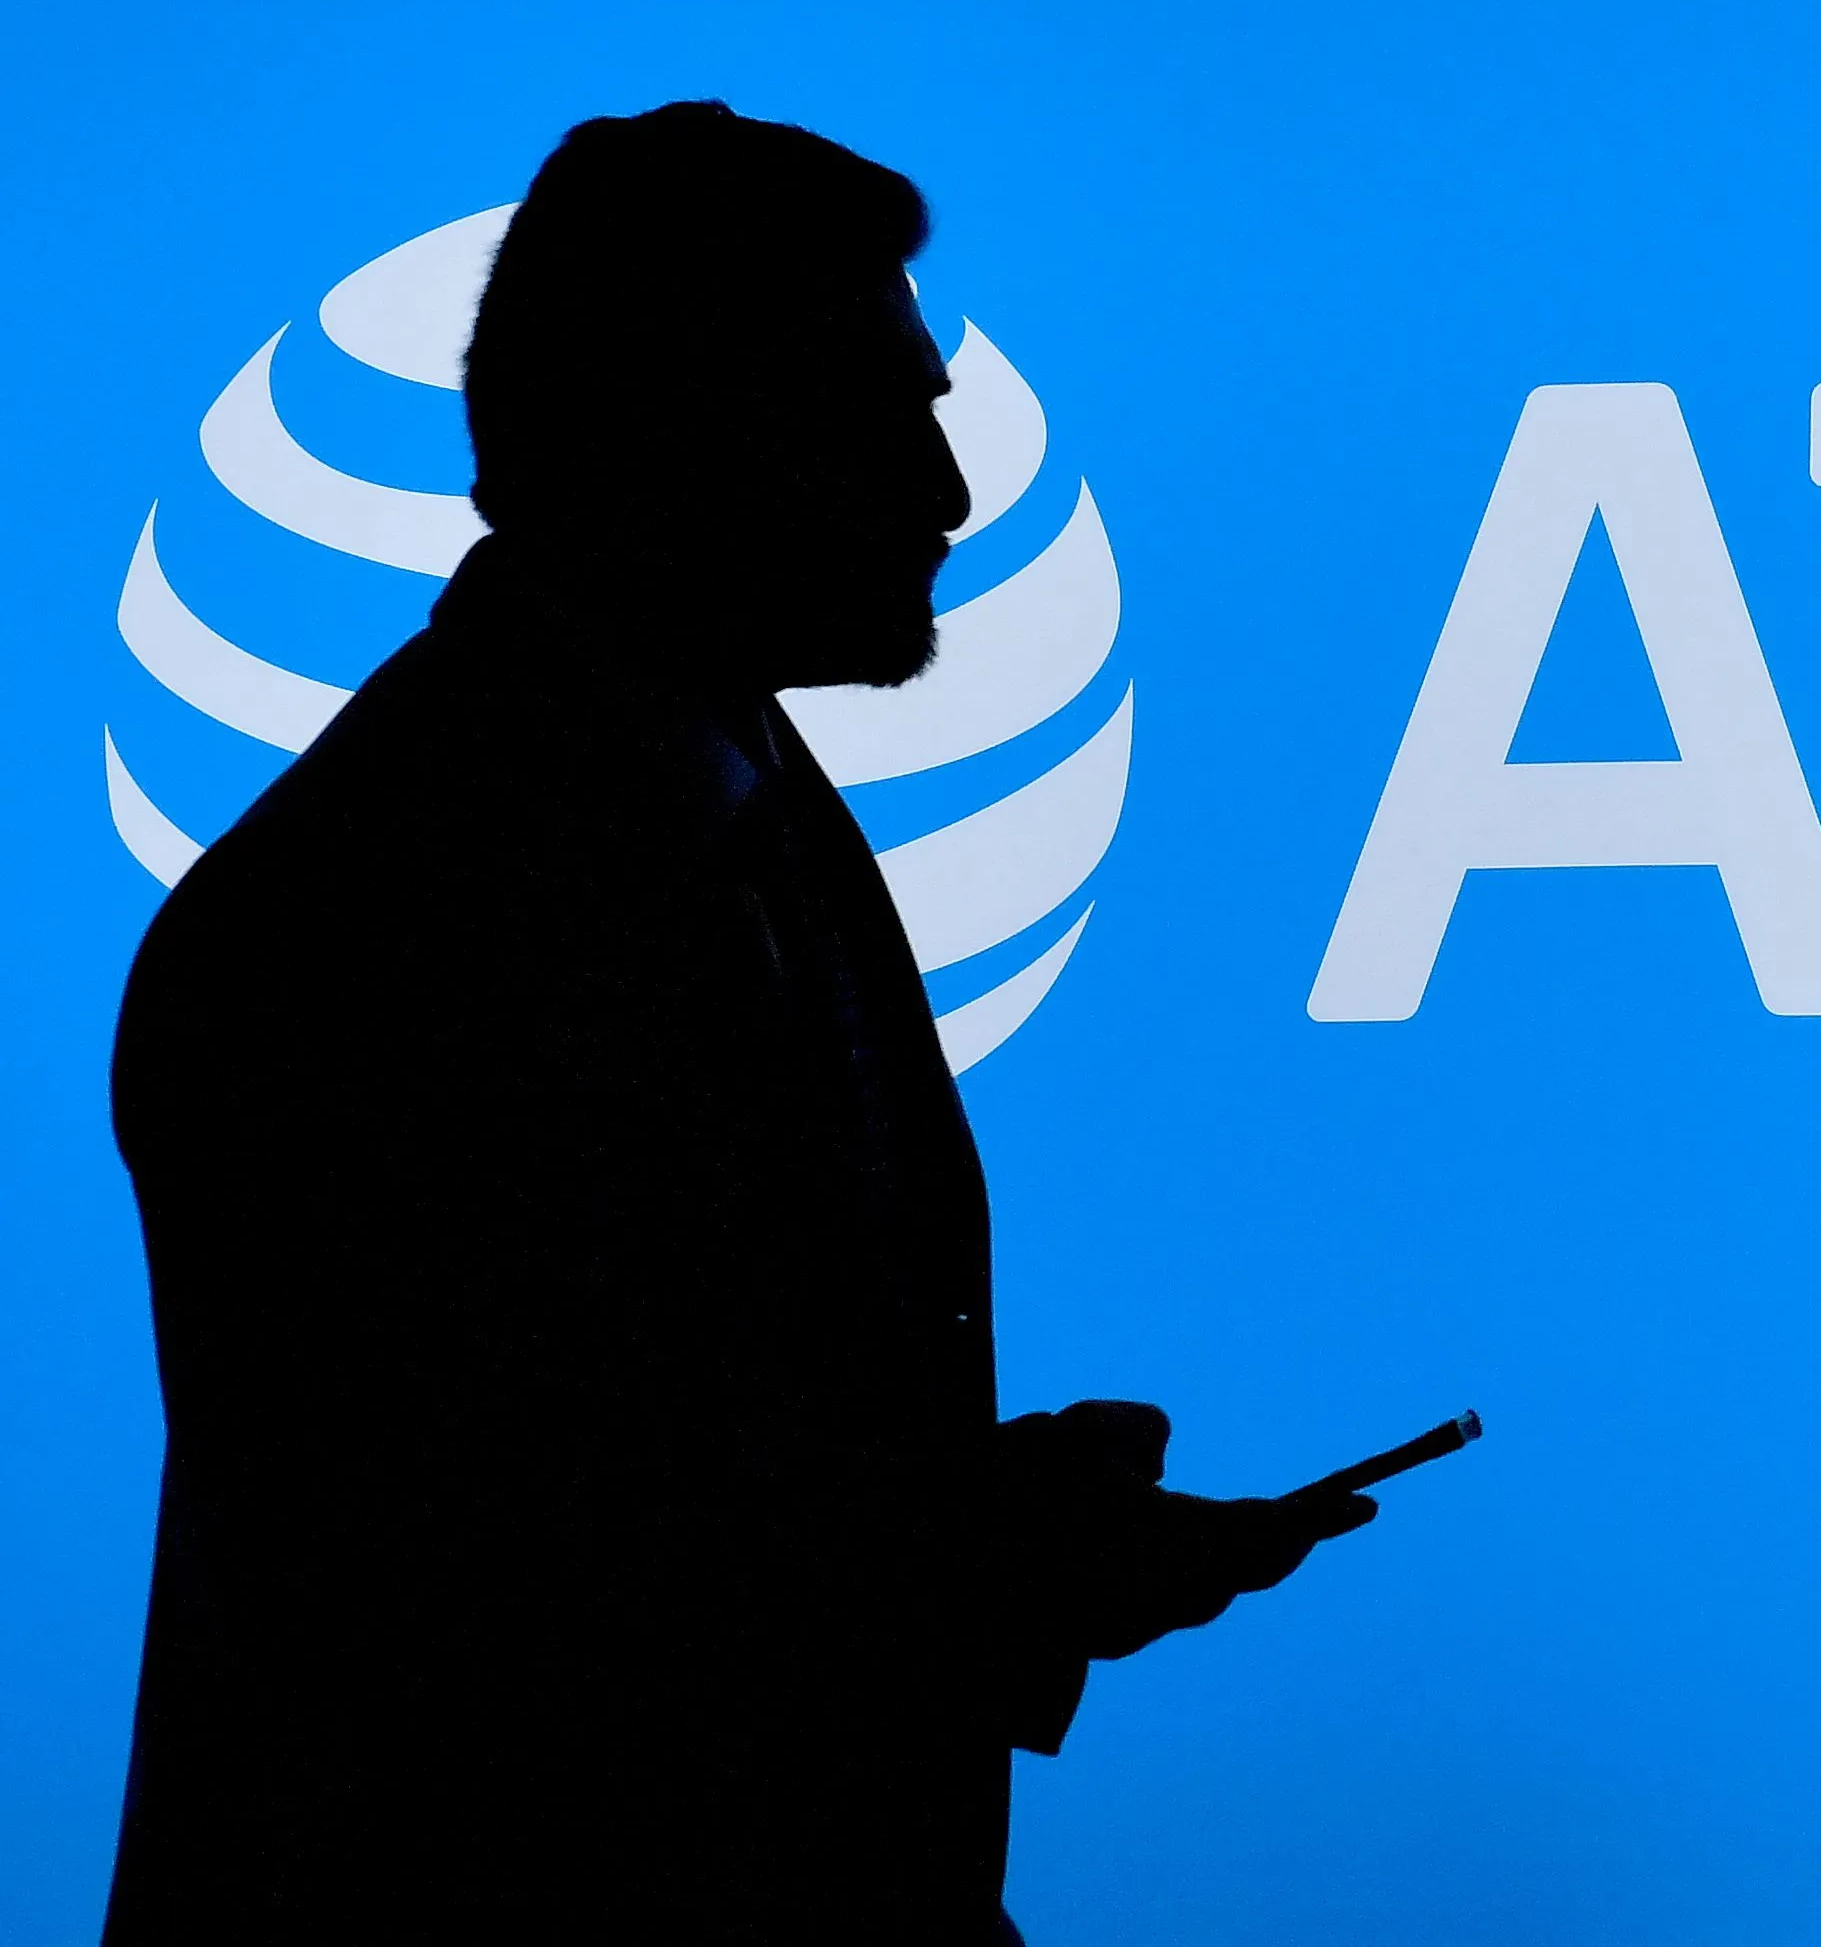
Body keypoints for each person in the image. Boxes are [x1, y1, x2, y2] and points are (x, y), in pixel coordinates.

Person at [102, 102, 1373, 1945]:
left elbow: (664, 1469)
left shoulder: (721, 806)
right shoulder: (381, 916)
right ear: (690, 431)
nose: (948, 491)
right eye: (883, 415)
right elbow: (487, 1612)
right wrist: (1002, 1558)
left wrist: (989, 1526)